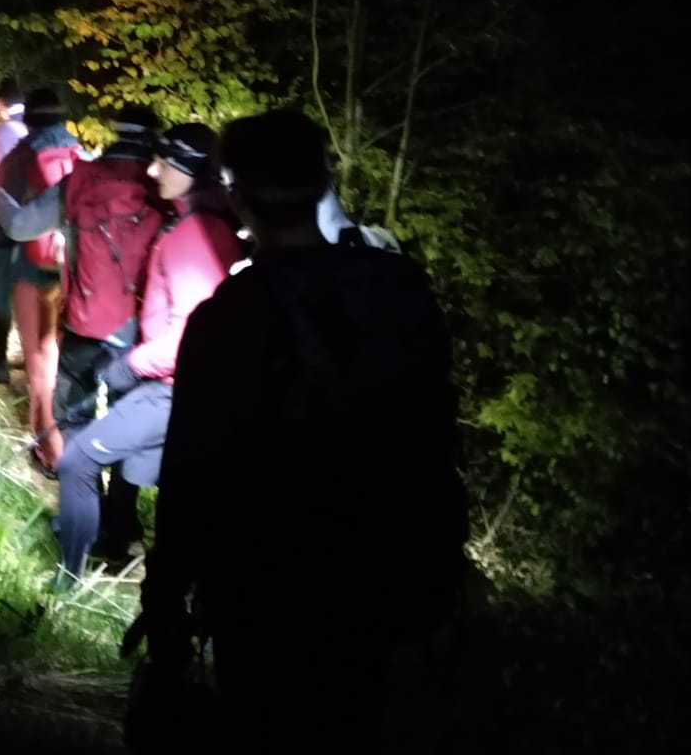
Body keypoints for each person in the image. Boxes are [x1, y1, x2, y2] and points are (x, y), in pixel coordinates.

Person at [128, 109, 465, 750]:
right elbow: (435, 428)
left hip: (263, 583)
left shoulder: (229, 317)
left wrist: (166, 598)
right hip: (381, 573)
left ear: (237, 196)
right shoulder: (397, 290)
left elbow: (192, 469)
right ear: (320, 185)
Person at [52, 123, 240, 583]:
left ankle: (68, 579)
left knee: (77, 462)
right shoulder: (209, 221)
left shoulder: (194, 237)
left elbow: (189, 336)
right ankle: (122, 546)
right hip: (191, 387)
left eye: (163, 163)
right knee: (140, 468)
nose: (152, 171)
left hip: (175, 388)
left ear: (191, 170)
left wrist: (130, 365)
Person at [0, 103, 165, 470]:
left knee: (72, 407)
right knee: (128, 419)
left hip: (86, 318)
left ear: (115, 132)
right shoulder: (164, 188)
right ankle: (119, 498)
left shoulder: (83, 180)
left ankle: (63, 469)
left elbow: (20, 226)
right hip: (143, 331)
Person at [0, 89, 82, 411]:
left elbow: (10, 214)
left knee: (34, 335)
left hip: (29, 256)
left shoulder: (21, 156)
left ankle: (6, 366)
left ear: (28, 118)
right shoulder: (81, 153)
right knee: (59, 331)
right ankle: (65, 398)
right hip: (72, 258)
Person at [0, 79, 30, 380]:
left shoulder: (5, 132)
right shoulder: (37, 133)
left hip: (5, 224)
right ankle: (31, 357)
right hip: (39, 225)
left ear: (0, 103)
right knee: (31, 291)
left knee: (0, 289)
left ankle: (0, 361)